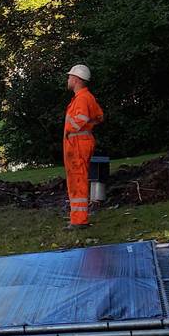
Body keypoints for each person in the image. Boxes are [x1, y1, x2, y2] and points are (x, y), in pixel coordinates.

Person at [62, 64, 104, 229]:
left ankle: (79, 221)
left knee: (77, 180)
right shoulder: (86, 97)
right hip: (78, 142)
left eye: (70, 77)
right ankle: (77, 218)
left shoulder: (82, 99)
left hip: (77, 144)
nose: (68, 79)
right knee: (76, 180)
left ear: (77, 79)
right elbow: (99, 116)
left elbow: (79, 120)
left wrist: (74, 127)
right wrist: (89, 126)